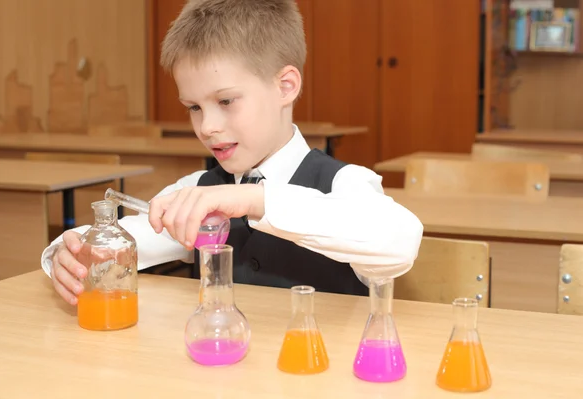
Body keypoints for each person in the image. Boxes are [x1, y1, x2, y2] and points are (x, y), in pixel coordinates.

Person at [41, 0, 424, 305]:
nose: (207, 127)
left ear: (286, 86)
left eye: (226, 100)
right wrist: (66, 254)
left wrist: (254, 199)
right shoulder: (199, 188)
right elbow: (116, 240)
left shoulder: (345, 182)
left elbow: (398, 242)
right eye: (194, 107)